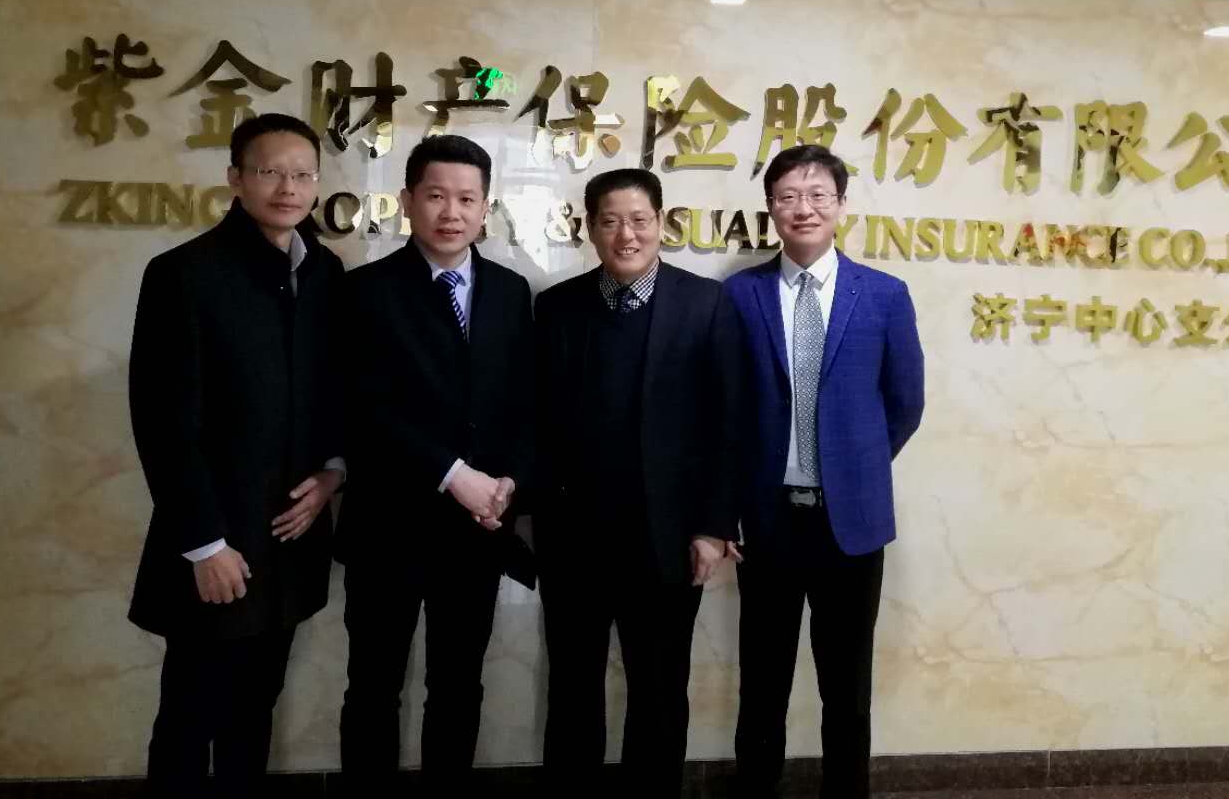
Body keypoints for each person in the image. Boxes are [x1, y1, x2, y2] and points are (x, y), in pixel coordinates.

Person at [128, 113, 346, 797]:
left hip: (289, 540)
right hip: (216, 544)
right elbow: (163, 421)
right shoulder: (184, 274)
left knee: (255, 709)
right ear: (235, 179)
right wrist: (203, 544)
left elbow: (336, 394)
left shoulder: (325, 272)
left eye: (303, 174)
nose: (288, 188)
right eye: (270, 172)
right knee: (191, 714)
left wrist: (334, 473)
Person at [531, 167, 744, 798]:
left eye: (639, 220)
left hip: (667, 539)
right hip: (574, 539)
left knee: (659, 690)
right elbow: (537, 420)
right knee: (573, 688)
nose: (626, 235)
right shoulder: (557, 307)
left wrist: (713, 527)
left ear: (660, 224)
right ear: (590, 228)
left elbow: (728, 425)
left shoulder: (705, 304)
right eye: (611, 221)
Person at [724, 144, 925, 799]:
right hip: (769, 523)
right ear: (770, 208)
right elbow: (726, 406)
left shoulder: (885, 296)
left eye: (817, 195)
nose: (803, 208)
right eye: (788, 196)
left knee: (847, 689)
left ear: (840, 205)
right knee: (762, 686)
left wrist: (851, 467)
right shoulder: (740, 294)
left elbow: (905, 402)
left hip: (852, 525)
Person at [336, 134, 535, 792]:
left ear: (485, 207)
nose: (452, 212)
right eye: (437, 196)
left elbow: (523, 401)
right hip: (387, 526)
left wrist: (508, 482)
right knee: (374, 685)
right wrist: (455, 475)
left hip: (476, 533)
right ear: (407, 200)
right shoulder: (364, 291)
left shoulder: (510, 291)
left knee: (458, 684)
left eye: (467, 199)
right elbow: (361, 408)